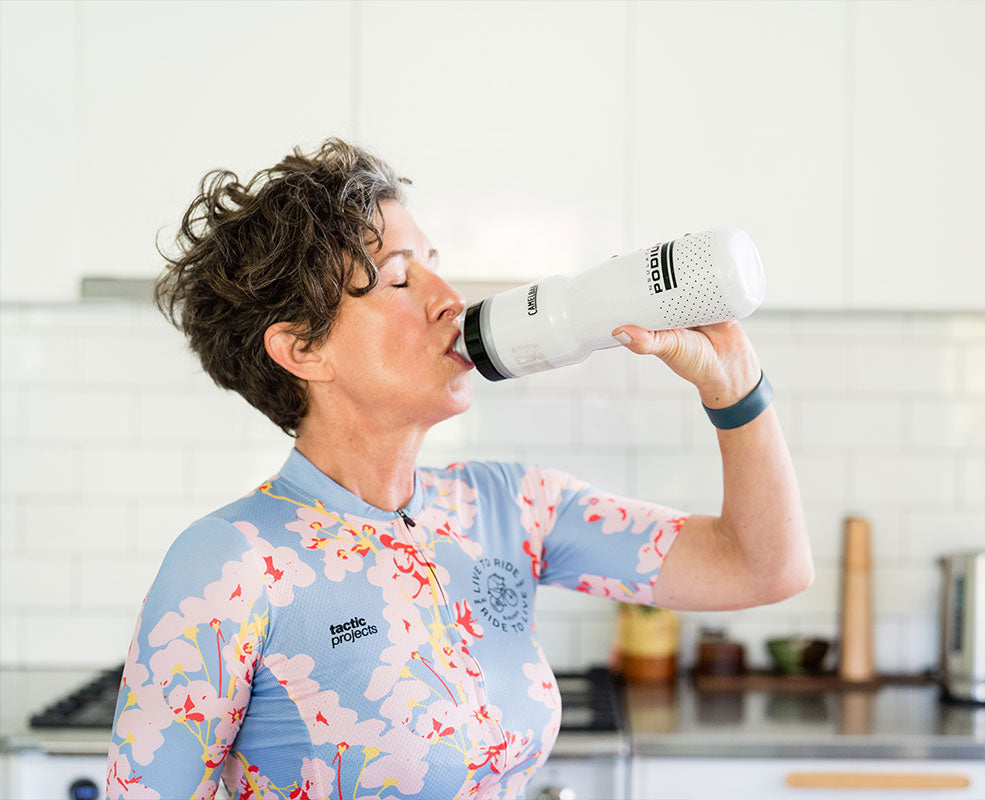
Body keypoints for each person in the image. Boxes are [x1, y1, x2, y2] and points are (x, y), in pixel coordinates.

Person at [105, 138, 812, 800]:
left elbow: (762, 566)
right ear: (302, 349)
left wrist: (736, 390)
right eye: (399, 279)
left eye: (434, 262)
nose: (449, 297)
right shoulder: (228, 565)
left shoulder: (510, 506)